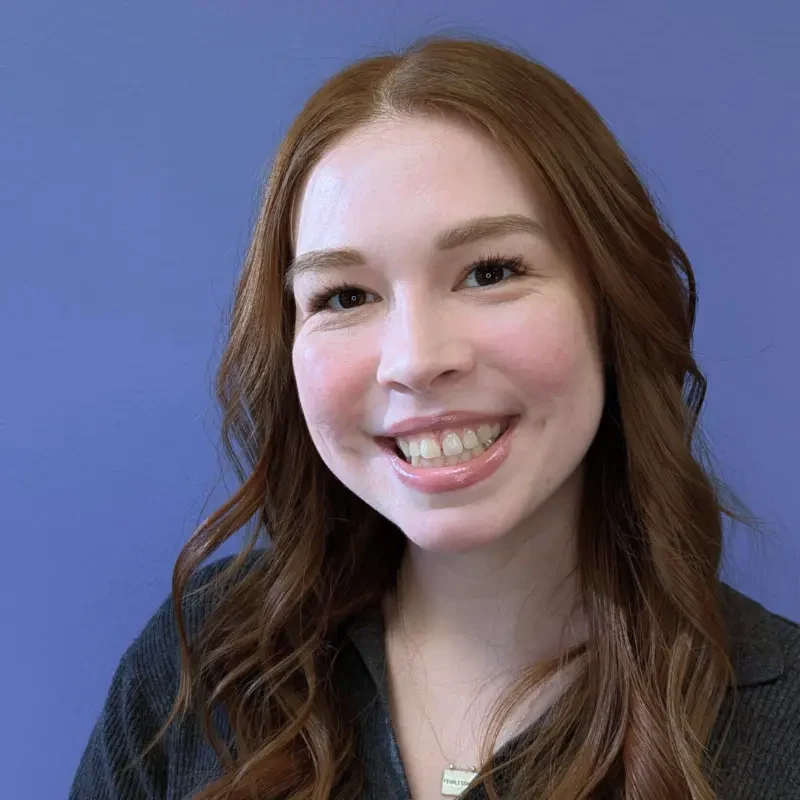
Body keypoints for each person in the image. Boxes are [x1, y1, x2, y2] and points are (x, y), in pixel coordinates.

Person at [69, 33, 800, 800]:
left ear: (610, 307)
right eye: (345, 296)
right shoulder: (204, 665)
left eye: (491, 272)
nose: (415, 359)